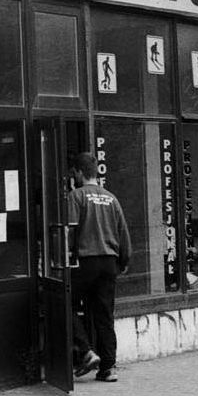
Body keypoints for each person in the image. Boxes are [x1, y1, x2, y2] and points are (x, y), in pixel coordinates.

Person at [65, 152, 131, 383]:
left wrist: (62, 259)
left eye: (73, 172)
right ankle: (109, 368)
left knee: (65, 303)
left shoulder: (76, 196)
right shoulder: (111, 199)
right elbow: (123, 234)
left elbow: (70, 231)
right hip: (108, 263)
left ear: (80, 173)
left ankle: (85, 351)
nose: (72, 177)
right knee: (104, 316)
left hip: (84, 261)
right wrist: (122, 262)